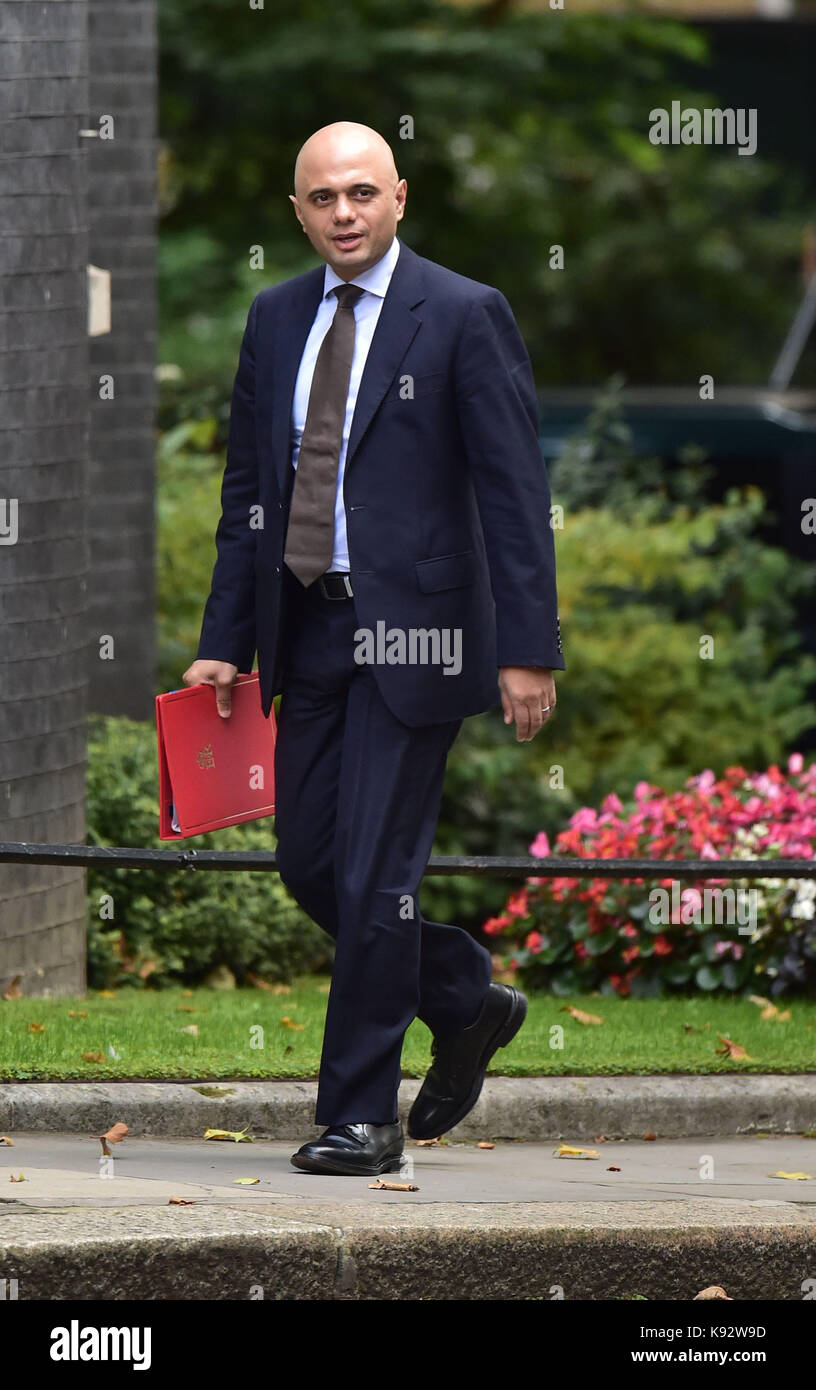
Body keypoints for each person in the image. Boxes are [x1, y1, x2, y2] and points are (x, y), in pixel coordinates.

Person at [183, 121, 564, 1177]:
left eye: (361, 192)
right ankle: (464, 998)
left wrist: (528, 647)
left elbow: (514, 492)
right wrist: (224, 639)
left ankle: (363, 1117)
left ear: (400, 196)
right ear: (297, 211)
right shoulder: (275, 318)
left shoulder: (463, 312)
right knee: (308, 863)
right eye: (321, 198)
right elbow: (248, 497)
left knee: (374, 876)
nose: (343, 213)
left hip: (422, 635)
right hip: (305, 630)